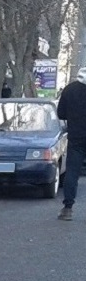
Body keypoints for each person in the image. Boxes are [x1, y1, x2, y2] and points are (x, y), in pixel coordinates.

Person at [55, 68, 86, 220]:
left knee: (72, 172)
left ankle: (68, 208)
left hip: (77, 137)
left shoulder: (70, 90)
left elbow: (60, 113)